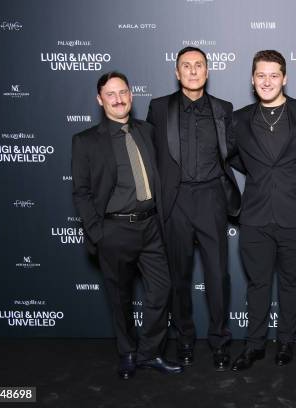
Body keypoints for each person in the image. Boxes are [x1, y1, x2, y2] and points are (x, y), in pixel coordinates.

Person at [71, 71, 182, 379]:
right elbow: (81, 192)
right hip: (114, 230)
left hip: (151, 228)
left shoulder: (148, 131)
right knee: (119, 297)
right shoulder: (85, 141)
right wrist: (97, 232)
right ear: (100, 100)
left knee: (161, 290)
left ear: (132, 95)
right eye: (111, 94)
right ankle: (128, 354)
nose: (118, 99)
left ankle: (149, 353)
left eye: (123, 92)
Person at [146, 47, 241, 371]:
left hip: (212, 199)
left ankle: (219, 341)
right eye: (185, 66)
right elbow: (148, 156)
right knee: (179, 278)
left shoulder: (223, 109)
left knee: (218, 276)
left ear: (207, 71)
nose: (192, 70)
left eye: (198, 65)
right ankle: (184, 339)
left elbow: (234, 153)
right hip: (175, 203)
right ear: (176, 72)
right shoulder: (159, 108)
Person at [228, 50, 296, 371]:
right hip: (255, 216)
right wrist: (256, 171)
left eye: (273, 75)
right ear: (252, 79)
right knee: (258, 284)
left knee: (291, 281)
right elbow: (229, 158)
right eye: (261, 75)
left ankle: (286, 342)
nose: (267, 81)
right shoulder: (238, 119)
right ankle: (254, 345)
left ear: (285, 78)